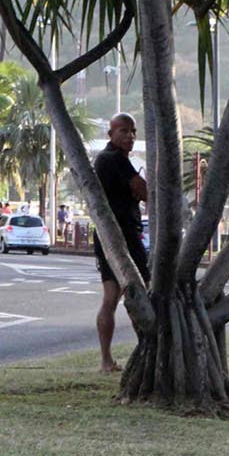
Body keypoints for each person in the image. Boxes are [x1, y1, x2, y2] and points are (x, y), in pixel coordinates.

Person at [93, 113, 150, 373]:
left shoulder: (114, 159)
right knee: (139, 292)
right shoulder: (113, 159)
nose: (130, 136)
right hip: (122, 234)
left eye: (133, 132)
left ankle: (107, 360)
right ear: (111, 134)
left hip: (109, 233)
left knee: (113, 298)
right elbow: (142, 190)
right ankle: (144, 349)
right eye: (124, 131)